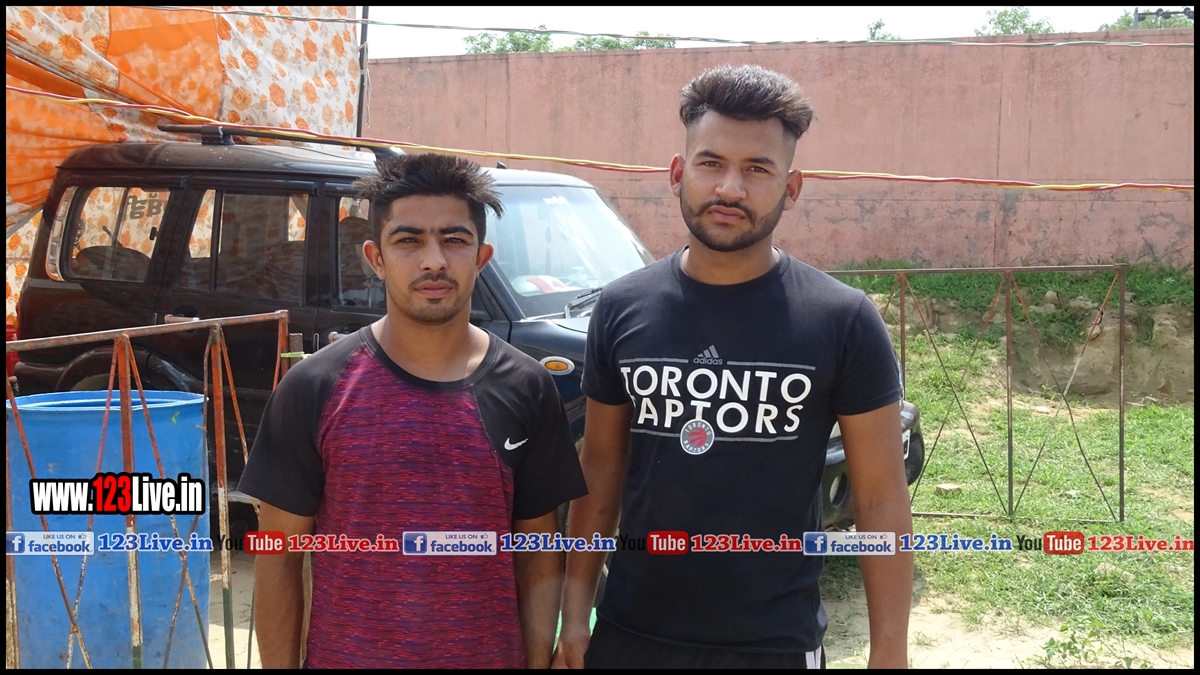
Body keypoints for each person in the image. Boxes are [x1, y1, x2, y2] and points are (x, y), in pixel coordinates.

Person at [552, 64, 913, 669]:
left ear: (791, 187)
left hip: (773, 644)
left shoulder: (842, 320)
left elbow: (879, 498)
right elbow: (601, 469)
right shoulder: (621, 308)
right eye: (711, 163)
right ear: (678, 173)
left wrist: (890, 654)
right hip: (630, 634)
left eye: (757, 169)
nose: (730, 188)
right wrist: (574, 616)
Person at [238, 153, 587, 668]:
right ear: (376, 258)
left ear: (481, 256)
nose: (433, 261)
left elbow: (538, 551)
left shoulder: (527, 386)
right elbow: (279, 557)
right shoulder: (315, 387)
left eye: (454, 239)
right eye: (409, 240)